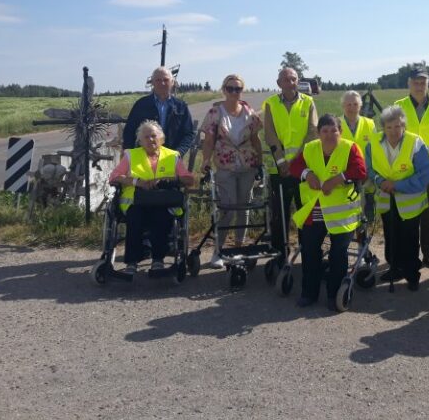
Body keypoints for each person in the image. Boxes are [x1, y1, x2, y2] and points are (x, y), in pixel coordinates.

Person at [289, 114, 367, 310]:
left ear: (340, 132)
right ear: (318, 133)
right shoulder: (310, 148)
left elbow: (360, 170)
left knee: (338, 253)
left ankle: (334, 295)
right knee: (309, 251)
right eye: (325, 131)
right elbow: (295, 166)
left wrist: (339, 178)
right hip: (314, 210)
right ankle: (309, 293)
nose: (330, 135)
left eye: (334, 131)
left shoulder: (350, 147)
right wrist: (308, 174)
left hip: (341, 212)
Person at [110, 120, 195, 274]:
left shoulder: (173, 156)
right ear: (140, 141)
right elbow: (114, 177)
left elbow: (189, 180)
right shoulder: (131, 155)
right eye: (146, 137)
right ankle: (132, 262)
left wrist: (170, 180)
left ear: (161, 138)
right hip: (136, 201)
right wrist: (137, 182)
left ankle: (158, 260)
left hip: (163, 201)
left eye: (153, 136)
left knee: (161, 217)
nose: (150, 140)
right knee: (134, 217)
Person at [365, 105, 429, 291]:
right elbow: (370, 169)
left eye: (397, 127)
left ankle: (412, 273)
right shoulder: (373, 143)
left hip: (410, 202)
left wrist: (397, 185)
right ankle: (395, 268)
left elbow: (423, 174)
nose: (393, 131)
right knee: (391, 234)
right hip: (386, 199)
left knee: (409, 238)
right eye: (389, 127)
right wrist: (380, 181)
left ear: (404, 126)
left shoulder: (416, 143)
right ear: (383, 127)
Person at [200, 74, 263, 269]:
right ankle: (218, 251)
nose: (234, 92)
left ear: (242, 91)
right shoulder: (215, 112)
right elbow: (209, 141)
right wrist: (205, 161)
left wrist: (260, 162)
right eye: (230, 88)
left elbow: (255, 139)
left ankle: (237, 248)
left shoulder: (249, 112)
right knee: (227, 208)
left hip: (247, 165)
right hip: (225, 165)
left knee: (243, 207)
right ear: (224, 90)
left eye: (237, 89)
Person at [395, 64, 429, 269]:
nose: (419, 85)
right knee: (408, 214)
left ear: (428, 83)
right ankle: (407, 255)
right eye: (415, 82)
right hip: (406, 170)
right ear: (409, 83)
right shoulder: (398, 106)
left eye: (423, 82)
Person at [263, 67, 318, 254]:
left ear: (298, 81)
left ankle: (307, 249)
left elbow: (312, 132)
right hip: (279, 170)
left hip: (303, 169)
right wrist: (281, 162)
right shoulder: (270, 103)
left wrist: (295, 163)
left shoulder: (308, 102)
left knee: (305, 211)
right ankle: (280, 252)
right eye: (285, 79)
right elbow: (269, 134)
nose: (290, 82)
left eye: (293, 79)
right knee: (280, 213)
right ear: (279, 83)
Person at [123, 66, 195, 157]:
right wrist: (130, 154)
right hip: (143, 159)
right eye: (158, 80)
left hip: (171, 159)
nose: (162, 83)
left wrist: (179, 152)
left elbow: (188, 133)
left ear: (172, 82)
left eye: (166, 80)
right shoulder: (141, 105)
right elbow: (129, 131)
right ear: (152, 82)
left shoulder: (181, 106)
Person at [339, 90, 376, 220]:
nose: (352, 108)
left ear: (360, 106)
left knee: (366, 218)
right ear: (343, 106)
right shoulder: (336, 124)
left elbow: (375, 151)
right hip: (344, 177)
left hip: (366, 178)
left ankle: (364, 238)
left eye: (355, 104)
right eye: (348, 104)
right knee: (347, 218)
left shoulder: (370, 124)